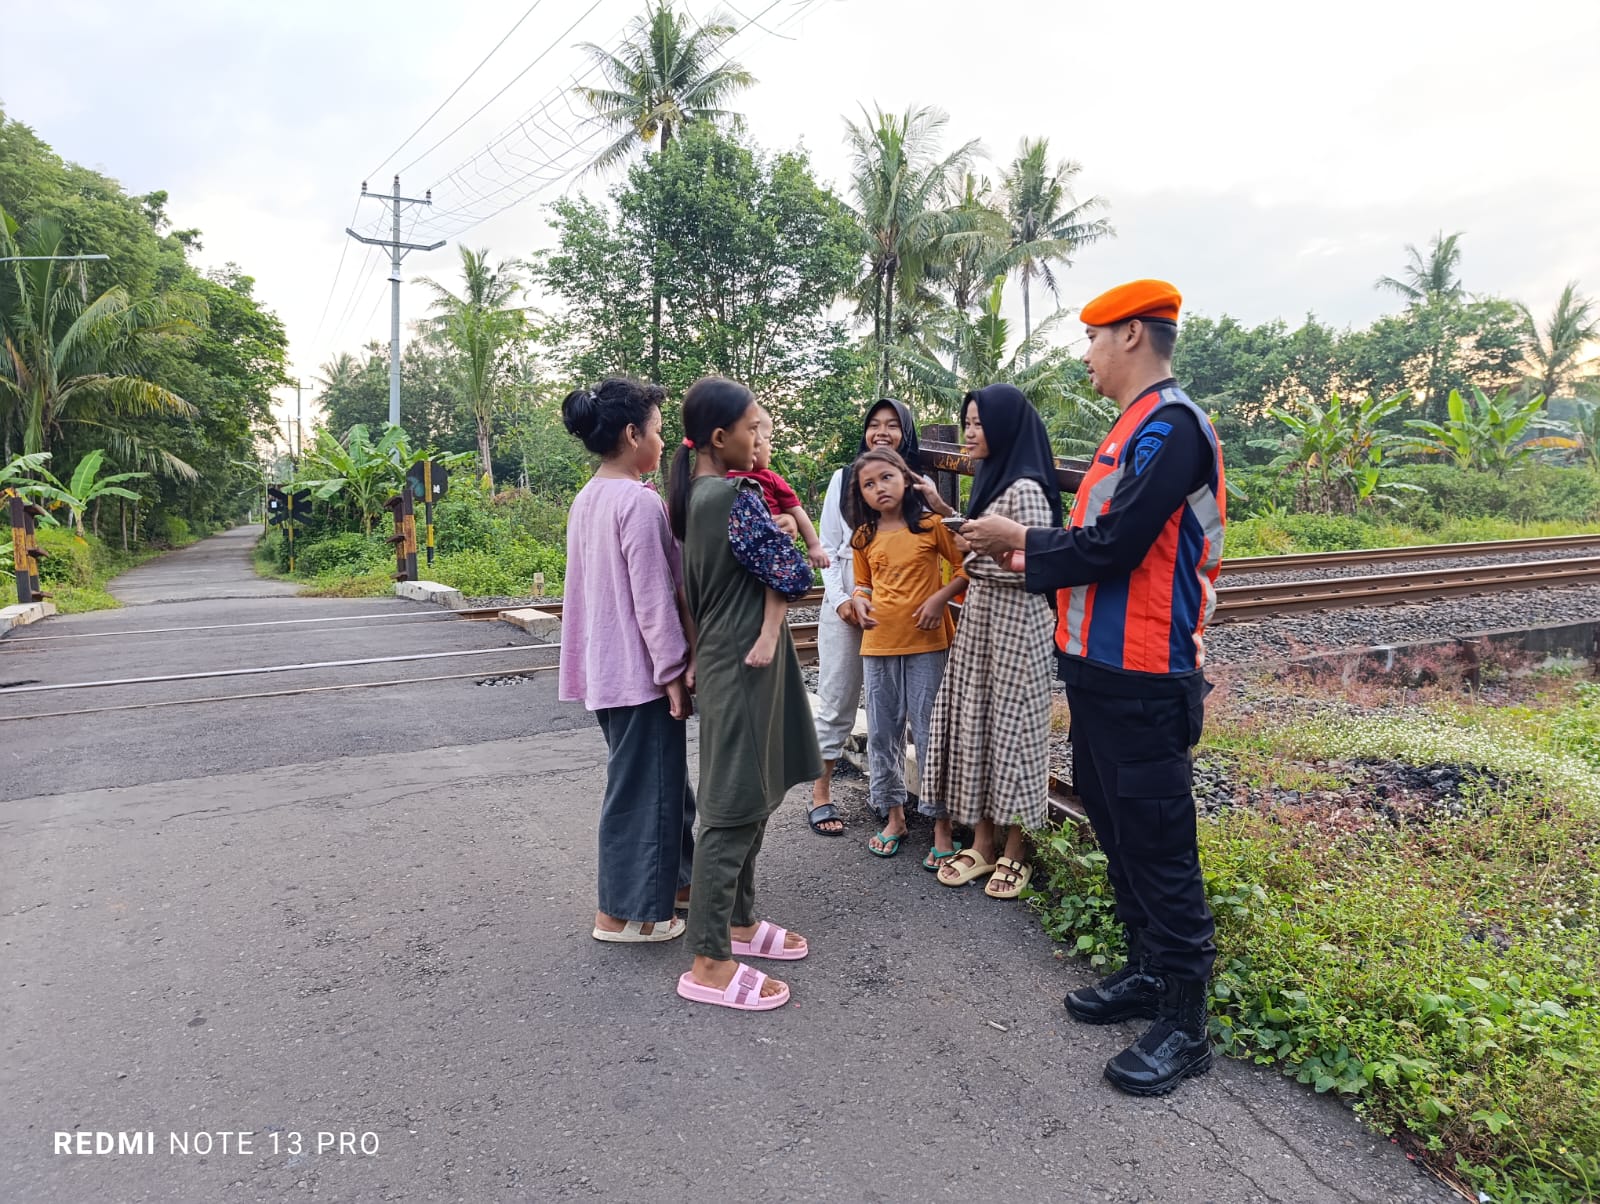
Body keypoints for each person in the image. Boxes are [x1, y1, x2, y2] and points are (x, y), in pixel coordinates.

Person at [963, 279, 1226, 1097]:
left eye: (1094, 339)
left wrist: (1022, 540)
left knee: (1160, 849)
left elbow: (1111, 544)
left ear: (1135, 338)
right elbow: (1095, 547)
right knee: (1119, 834)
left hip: (1146, 679)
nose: (1086, 356)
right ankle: (1147, 974)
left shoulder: (1171, 428)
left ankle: (1186, 1022)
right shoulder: (1132, 430)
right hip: (1099, 675)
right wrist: (1026, 554)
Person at [668, 376, 823, 1012]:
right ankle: (708, 960)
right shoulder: (732, 496)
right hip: (745, 662)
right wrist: (790, 535)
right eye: (754, 428)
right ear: (719, 437)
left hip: (737, 659)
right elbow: (793, 571)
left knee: (752, 793)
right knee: (733, 808)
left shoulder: (696, 496)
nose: (761, 439)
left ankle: (738, 921)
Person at [558, 377, 695, 945]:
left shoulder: (588, 497)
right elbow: (653, 597)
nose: (664, 443)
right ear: (633, 433)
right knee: (642, 793)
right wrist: (673, 671)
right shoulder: (638, 502)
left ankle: (680, 881)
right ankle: (623, 913)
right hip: (640, 677)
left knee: (660, 784)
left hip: (603, 671)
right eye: (660, 431)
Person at [923, 384, 1061, 900]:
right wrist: (960, 529)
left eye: (979, 423)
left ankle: (1015, 849)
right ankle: (982, 840)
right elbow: (978, 552)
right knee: (979, 722)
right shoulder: (993, 480)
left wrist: (973, 552)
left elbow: (1029, 565)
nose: (970, 432)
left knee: (1014, 728)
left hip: (1016, 624)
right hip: (984, 619)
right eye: (968, 423)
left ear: (1005, 428)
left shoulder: (1024, 488)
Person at [810, 399, 955, 836]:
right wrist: (844, 600)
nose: (882, 432)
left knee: (904, 713)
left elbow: (954, 551)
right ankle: (821, 792)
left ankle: (900, 805)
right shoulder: (845, 479)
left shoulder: (916, 491)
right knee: (838, 698)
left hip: (905, 619)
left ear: (905, 433)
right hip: (851, 600)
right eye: (875, 425)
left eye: (893, 425)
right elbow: (831, 549)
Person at [843, 447, 968, 867]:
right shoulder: (863, 535)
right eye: (869, 484)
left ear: (905, 478)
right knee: (883, 733)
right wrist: (859, 601)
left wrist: (940, 598)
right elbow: (862, 582)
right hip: (878, 646)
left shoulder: (931, 526)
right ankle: (894, 816)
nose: (879, 488)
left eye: (886, 478)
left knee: (932, 735)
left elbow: (965, 567)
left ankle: (941, 826)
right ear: (861, 493)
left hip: (927, 646)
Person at [732, 405, 830, 672]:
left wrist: (814, 546)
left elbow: (796, 511)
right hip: (745, 555)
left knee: (776, 582)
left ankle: (771, 631)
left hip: (771, 550)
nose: (769, 447)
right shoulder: (723, 479)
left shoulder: (770, 478)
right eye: (766, 439)